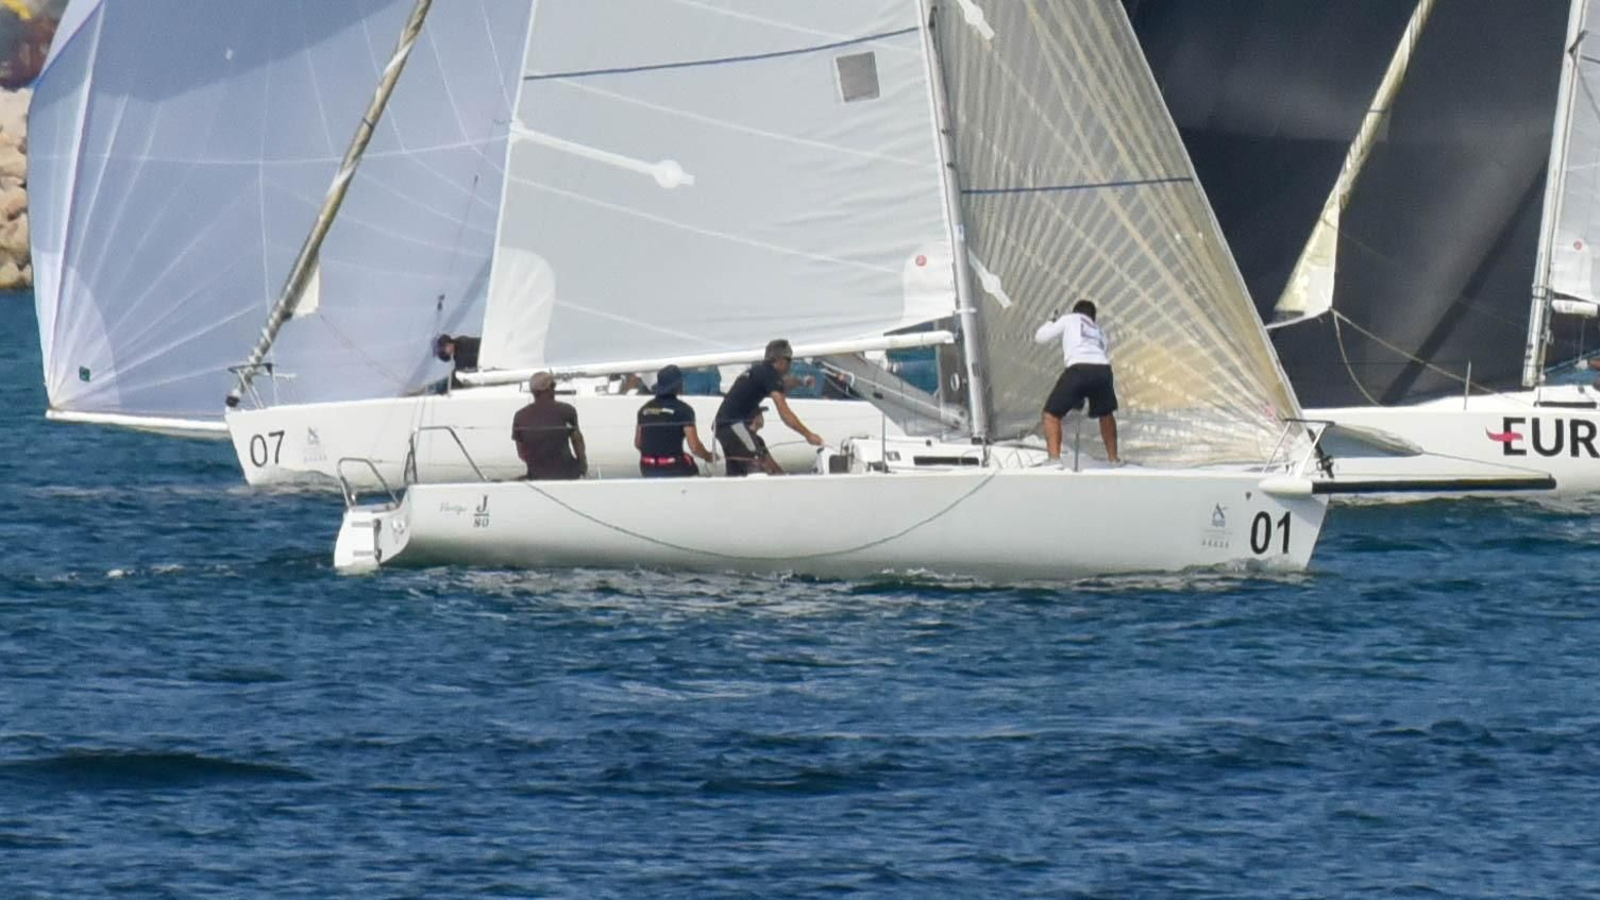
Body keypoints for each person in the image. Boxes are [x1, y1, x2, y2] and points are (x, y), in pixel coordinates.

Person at [714, 339, 825, 472]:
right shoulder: (769, 375)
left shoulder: (760, 371)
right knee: (757, 462)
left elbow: (783, 383)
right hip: (733, 425)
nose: (790, 365)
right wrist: (808, 434)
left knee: (745, 466)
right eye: (790, 361)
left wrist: (801, 381)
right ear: (781, 360)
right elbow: (784, 413)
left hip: (726, 426)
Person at [1034, 300, 1120, 464]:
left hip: (1078, 369)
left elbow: (1040, 337)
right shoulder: (1099, 331)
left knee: (1051, 415)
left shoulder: (1069, 319)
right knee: (1106, 415)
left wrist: (1051, 321)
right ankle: (1113, 459)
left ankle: (1054, 460)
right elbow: (1102, 351)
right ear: (1093, 317)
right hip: (1103, 370)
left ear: (1075, 312)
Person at [635, 364, 715, 477]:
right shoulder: (684, 410)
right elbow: (695, 447)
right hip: (674, 468)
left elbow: (638, 444)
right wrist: (709, 456)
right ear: (678, 385)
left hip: (647, 468)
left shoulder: (644, 410)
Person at [511, 371, 587, 480]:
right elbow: (578, 442)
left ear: (533, 391)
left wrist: (539, 465)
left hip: (536, 475)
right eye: (554, 385)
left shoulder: (520, 416)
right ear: (550, 388)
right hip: (568, 473)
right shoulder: (567, 411)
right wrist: (583, 466)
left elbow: (521, 453)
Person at [724, 406, 784, 476]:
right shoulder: (741, 438)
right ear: (755, 418)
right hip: (742, 480)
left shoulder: (759, 440)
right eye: (760, 415)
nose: (762, 417)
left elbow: (772, 464)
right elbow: (756, 464)